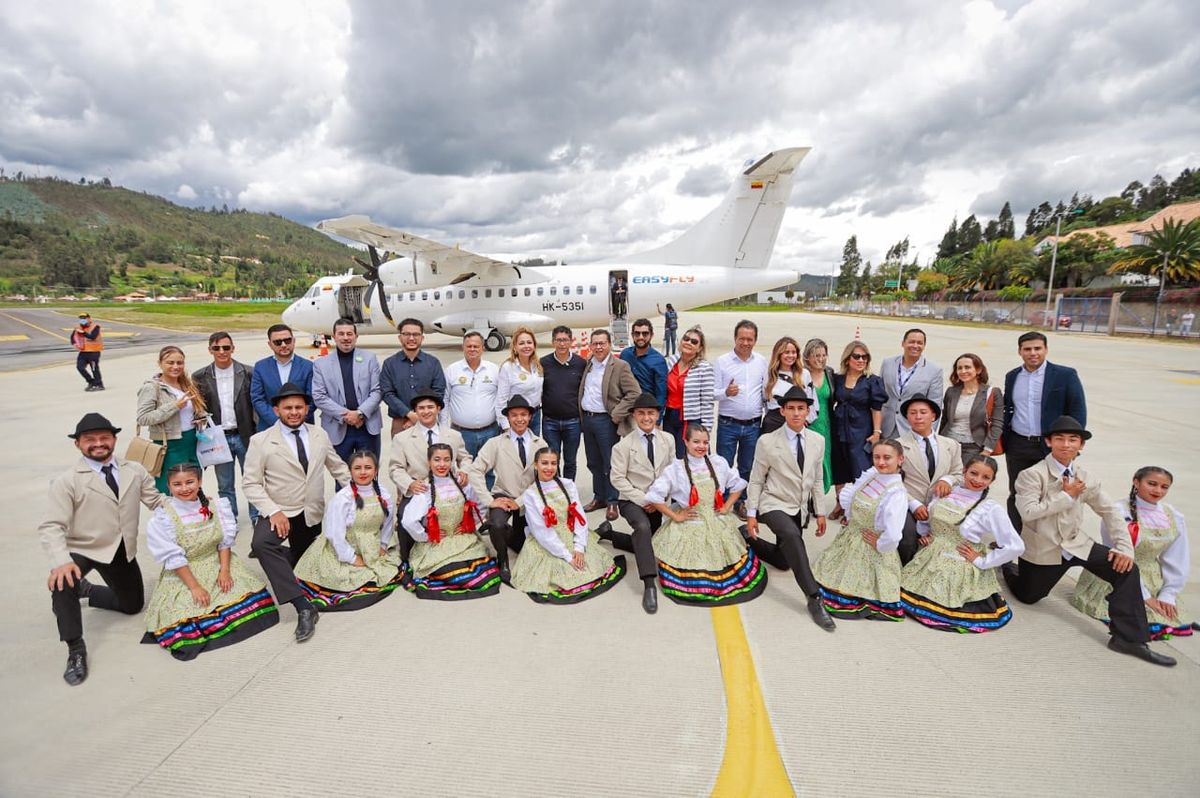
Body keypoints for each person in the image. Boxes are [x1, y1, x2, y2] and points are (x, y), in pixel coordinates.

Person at [1002, 416, 1176, 667]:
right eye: (1059, 439)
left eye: (1073, 440)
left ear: (1081, 446)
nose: (1066, 444)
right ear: (1049, 442)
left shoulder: (1086, 477)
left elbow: (1110, 512)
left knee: (1127, 570)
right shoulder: (1031, 475)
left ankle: (1129, 639)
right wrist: (1066, 495)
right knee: (1029, 596)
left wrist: (1124, 549)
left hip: (1076, 544)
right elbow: (1028, 512)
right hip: (1044, 549)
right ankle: (1009, 568)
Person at [40, 414, 162, 685]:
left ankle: (90, 591)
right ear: (78, 445)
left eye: (104, 438)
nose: (98, 444)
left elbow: (155, 501)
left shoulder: (134, 470)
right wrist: (61, 561)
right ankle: (75, 648)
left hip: (118, 549)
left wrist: (192, 504)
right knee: (62, 582)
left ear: (114, 440)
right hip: (80, 547)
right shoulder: (67, 481)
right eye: (90, 440)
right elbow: (51, 526)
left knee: (132, 606)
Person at [243, 383, 352, 643]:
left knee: (304, 563)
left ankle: (288, 557)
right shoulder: (261, 441)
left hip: (310, 512)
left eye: (298, 407)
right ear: (276, 409)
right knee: (261, 544)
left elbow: (337, 467)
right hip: (280, 511)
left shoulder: (319, 434)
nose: (293, 412)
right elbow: (250, 483)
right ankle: (303, 606)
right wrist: (273, 512)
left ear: (306, 409)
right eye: (288, 407)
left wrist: (362, 495)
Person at [142, 463, 278, 659]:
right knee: (191, 613)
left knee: (254, 605)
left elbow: (224, 543)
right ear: (169, 487)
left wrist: (224, 571)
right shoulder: (163, 518)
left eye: (190, 482)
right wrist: (195, 587)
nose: (184, 488)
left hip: (217, 562)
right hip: (186, 571)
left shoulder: (216, 506)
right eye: (177, 484)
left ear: (199, 482)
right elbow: (174, 559)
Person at [744, 387, 836, 631]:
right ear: (782, 410)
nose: (796, 413)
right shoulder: (767, 441)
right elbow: (756, 480)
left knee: (785, 560)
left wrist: (820, 512)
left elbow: (817, 479)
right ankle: (814, 597)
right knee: (793, 537)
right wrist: (752, 514)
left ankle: (745, 537)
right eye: (791, 408)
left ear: (808, 411)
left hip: (799, 508)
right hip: (773, 503)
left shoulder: (818, 440)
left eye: (801, 408)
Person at [644, 424, 767, 605]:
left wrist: (726, 506)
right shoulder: (675, 469)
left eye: (705, 442)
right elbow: (654, 496)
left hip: (716, 519)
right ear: (685, 441)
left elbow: (739, 485)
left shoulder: (718, 463)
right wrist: (675, 516)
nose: (701, 446)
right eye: (696, 442)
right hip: (691, 523)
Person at [899, 455, 1024, 633]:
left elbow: (1016, 546)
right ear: (964, 471)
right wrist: (926, 534)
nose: (978, 480)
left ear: (992, 481)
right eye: (973, 473)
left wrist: (982, 561)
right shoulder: (946, 492)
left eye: (986, 477)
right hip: (930, 555)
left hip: (960, 558)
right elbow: (929, 519)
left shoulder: (990, 508)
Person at [1071, 466, 1193, 641]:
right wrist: (1144, 596)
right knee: (1140, 616)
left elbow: (1177, 558)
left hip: (1153, 578)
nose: (1158, 490)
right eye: (1152, 484)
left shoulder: (1173, 515)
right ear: (1136, 482)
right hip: (1118, 571)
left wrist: (1169, 593)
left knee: (1166, 612)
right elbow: (1116, 553)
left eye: (1164, 487)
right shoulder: (1118, 511)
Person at [510, 448, 627, 603]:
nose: (549, 468)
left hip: (569, 532)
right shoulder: (531, 494)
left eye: (553, 463)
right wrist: (567, 555)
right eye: (544, 463)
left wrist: (579, 548)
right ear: (536, 465)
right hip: (548, 540)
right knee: (565, 571)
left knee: (588, 565)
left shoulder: (567, 484)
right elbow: (541, 531)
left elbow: (579, 517)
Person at [595, 393, 675, 614]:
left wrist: (659, 498)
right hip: (631, 500)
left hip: (657, 501)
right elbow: (617, 479)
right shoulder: (622, 446)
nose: (646, 417)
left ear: (658, 415)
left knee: (650, 542)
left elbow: (671, 471)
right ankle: (649, 583)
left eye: (651, 413)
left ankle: (609, 534)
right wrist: (645, 499)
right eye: (641, 413)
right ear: (634, 416)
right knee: (642, 528)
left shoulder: (668, 439)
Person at [293, 450, 403, 610]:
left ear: (376, 470)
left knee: (388, 570)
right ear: (350, 471)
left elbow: (387, 524)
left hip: (371, 546)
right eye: (357, 468)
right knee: (350, 580)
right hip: (343, 549)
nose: (363, 472)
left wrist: (383, 545)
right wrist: (351, 558)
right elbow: (334, 534)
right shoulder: (343, 498)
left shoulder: (383, 494)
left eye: (368, 467)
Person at [813, 440, 908, 621]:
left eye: (887, 458)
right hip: (852, 538)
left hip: (871, 547)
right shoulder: (873, 476)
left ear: (900, 459)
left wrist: (880, 544)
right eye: (877, 457)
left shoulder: (896, 493)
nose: (881, 462)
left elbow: (894, 533)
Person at [1001, 332, 1086, 530]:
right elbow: (1008, 407)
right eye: (1027, 349)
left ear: (1046, 349)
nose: (1033, 353)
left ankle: (1051, 538)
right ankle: (1014, 536)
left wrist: (1073, 444)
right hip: (1018, 444)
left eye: (1037, 348)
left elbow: (1077, 410)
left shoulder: (1065, 375)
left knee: (1054, 492)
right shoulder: (1012, 376)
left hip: (1051, 446)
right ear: (1020, 351)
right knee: (1018, 492)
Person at [400, 443, 503, 600]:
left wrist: (470, 526)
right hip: (437, 543)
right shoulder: (425, 489)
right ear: (429, 462)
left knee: (476, 570)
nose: (442, 465)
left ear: (452, 462)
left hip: (462, 538)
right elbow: (408, 520)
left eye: (447, 460)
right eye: (437, 460)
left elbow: (480, 505)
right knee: (450, 571)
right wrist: (425, 536)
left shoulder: (462, 485)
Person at [467, 395, 548, 583]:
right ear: (508, 418)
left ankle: (508, 533)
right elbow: (475, 471)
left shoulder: (540, 444)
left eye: (523, 415)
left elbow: (543, 480)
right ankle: (502, 560)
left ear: (530, 417)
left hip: (529, 498)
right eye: (514, 415)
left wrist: (519, 502)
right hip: (502, 494)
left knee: (526, 547)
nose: (519, 419)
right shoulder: (495, 443)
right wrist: (489, 500)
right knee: (497, 524)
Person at [387, 392, 472, 560]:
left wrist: (464, 471)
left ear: (439, 408)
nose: (426, 411)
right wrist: (410, 484)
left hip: (447, 490)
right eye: (421, 408)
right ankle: (406, 561)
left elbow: (466, 458)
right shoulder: (402, 438)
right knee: (404, 518)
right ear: (415, 411)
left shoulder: (453, 435)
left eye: (430, 407)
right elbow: (395, 468)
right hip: (419, 490)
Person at [192, 331, 256, 522]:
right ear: (210, 349)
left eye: (226, 347)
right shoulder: (200, 376)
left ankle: (256, 517)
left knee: (253, 481)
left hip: (245, 434)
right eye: (216, 348)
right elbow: (198, 408)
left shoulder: (248, 372)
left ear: (233, 348)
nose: (222, 351)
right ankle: (230, 520)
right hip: (219, 438)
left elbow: (256, 404)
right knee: (225, 484)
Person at [578, 328, 641, 519]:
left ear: (609, 344)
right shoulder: (588, 364)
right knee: (594, 462)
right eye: (595, 343)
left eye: (602, 343)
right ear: (590, 345)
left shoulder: (620, 366)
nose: (598, 347)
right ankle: (600, 497)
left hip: (606, 421)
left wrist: (616, 414)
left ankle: (613, 501)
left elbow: (634, 393)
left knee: (609, 463)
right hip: (587, 420)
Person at [896, 394, 963, 566]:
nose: (918, 417)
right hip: (907, 504)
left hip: (940, 506)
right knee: (907, 541)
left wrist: (947, 480)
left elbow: (959, 474)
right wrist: (913, 504)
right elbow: (890, 480)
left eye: (923, 412)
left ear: (933, 416)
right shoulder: (896, 445)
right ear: (907, 417)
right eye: (913, 413)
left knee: (946, 542)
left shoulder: (951, 444)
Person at [312, 318, 383, 468]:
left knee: (370, 474)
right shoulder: (320, 364)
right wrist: (347, 415)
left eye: (349, 334)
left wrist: (360, 413)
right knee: (342, 477)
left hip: (367, 426)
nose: (345, 338)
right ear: (334, 336)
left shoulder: (370, 359)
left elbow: (377, 391)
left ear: (356, 336)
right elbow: (319, 396)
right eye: (341, 334)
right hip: (337, 428)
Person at [137, 345, 208, 494]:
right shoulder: (152, 387)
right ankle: (170, 517)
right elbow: (143, 418)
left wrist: (199, 418)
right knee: (172, 488)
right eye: (170, 363)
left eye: (179, 363)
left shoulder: (185, 383)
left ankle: (193, 516)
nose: (176, 367)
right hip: (169, 445)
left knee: (193, 486)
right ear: (160, 363)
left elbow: (188, 413)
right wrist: (174, 406)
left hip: (192, 442)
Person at [714, 321, 768, 512]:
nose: (745, 342)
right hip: (728, 423)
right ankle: (723, 501)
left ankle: (741, 501)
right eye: (742, 338)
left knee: (747, 466)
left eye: (749, 339)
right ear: (735, 338)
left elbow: (765, 391)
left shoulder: (761, 361)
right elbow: (712, 393)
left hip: (753, 425)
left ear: (755, 340)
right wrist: (725, 393)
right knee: (724, 464)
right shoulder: (722, 361)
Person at [830, 340, 887, 491]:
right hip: (839, 428)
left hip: (861, 431)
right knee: (840, 466)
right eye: (857, 356)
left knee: (861, 468)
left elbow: (876, 409)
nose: (861, 360)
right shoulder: (838, 379)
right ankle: (840, 503)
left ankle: (861, 505)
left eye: (865, 357)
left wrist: (877, 432)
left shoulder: (872, 381)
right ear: (847, 359)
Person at [380, 318, 446, 437]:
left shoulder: (433, 363)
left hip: (428, 421)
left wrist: (418, 416)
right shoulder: (389, 364)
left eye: (416, 334)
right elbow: (387, 393)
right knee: (400, 455)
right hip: (400, 423)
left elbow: (438, 392)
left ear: (422, 338)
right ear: (400, 337)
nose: (411, 338)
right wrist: (409, 414)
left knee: (429, 455)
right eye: (406, 334)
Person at [444, 332, 502, 465]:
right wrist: (443, 429)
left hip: (490, 432)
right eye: (468, 346)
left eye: (476, 346)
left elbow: (501, 399)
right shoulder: (452, 370)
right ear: (463, 347)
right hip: (461, 433)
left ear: (483, 348)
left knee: (488, 471)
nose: (472, 349)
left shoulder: (493, 370)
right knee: (464, 471)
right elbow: (445, 400)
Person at [539, 325, 587, 481]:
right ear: (553, 342)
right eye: (558, 340)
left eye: (565, 340)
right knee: (552, 461)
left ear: (571, 341)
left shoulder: (580, 363)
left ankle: (569, 490)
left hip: (573, 422)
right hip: (550, 422)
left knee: (570, 461)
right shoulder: (543, 363)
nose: (562, 344)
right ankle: (555, 490)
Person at [879, 329, 944, 439]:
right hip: (885, 427)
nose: (915, 346)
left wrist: (927, 435)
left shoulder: (934, 370)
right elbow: (879, 394)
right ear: (903, 343)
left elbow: (935, 405)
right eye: (911, 342)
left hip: (912, 430)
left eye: (920, 343)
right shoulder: (888, 363)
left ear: (924, 346)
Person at [940, 353, 1003, 462]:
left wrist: (987, 450)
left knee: (966, 478)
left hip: (974, 447)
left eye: (967, 367)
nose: (963, 371)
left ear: (978, 370)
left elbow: (997, 424)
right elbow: (944, 420)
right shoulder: (951, 392)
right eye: (959, 368)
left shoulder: (992, 392)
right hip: (948, 444)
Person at [251, 324, 315, 432]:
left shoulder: (308, 366)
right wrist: (278, 421)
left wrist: (296, 419)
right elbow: (257, 398)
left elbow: (312, 398)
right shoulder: (260, 367)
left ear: (294, 341)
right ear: (270, 344)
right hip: (270, 427)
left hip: (302, 427)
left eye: (287, 340)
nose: (284, 345)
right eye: (278, 342)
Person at [663, 326, 716, 457]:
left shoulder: (704, 368)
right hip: (669, 417)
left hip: (689, 419)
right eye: (686, 339)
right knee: (669, 456)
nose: (688, 342)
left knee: (686, 457)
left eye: (694, 341)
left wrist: (706, 430)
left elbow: (707, 401)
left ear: (700, 348)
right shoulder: (671, 361)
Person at [495, 326, 544, 435]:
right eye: (522, 343)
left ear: (534, 345)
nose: (526, 346)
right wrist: (506, 427)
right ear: (514, 347)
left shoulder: (537, 365)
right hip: (516, 417)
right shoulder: (508, 367)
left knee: (532, 450)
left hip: (534, 415)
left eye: (529, 342)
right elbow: (501, 400)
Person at [801, 338, 835, 494]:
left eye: (823, 355)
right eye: (816, 355)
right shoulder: (802, 374)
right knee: (810, 462)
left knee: (825, 460)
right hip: (809, 423)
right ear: (808, 357)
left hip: (826, 424)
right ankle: (808, 497)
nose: (820, 359)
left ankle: (820, 495)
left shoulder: (830, 373)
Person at [620, 318, 668, 413]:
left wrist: (657, 418)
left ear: (651, 335)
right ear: (632, 335)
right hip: (626, 409)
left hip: (646, 411)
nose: (640, 337)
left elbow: (661, 393)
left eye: (645, 334)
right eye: (637, 334)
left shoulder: (658, 360)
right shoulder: (625, 354)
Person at [761, 336, 805, 434]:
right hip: (772, 424)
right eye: (786, 352)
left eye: (793, 352)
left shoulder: (804, 374)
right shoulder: (769, 375)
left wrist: (805, 421)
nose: (791, 355)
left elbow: (811, 401)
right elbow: (764, 400)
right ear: (778, 354)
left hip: (796, 423)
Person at [70, 312, 104, 391]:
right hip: (83, 352)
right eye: (81, 318)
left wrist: (83, 333)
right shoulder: (78, 327)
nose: (82, 320)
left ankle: (99, 384)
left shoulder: (95, 327)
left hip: (93, 352)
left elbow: (93, 337)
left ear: (89, 319)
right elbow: (72, 337)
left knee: (94, 368)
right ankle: (91, 382)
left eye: (84, 318)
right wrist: (74, 343)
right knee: (80, 367)